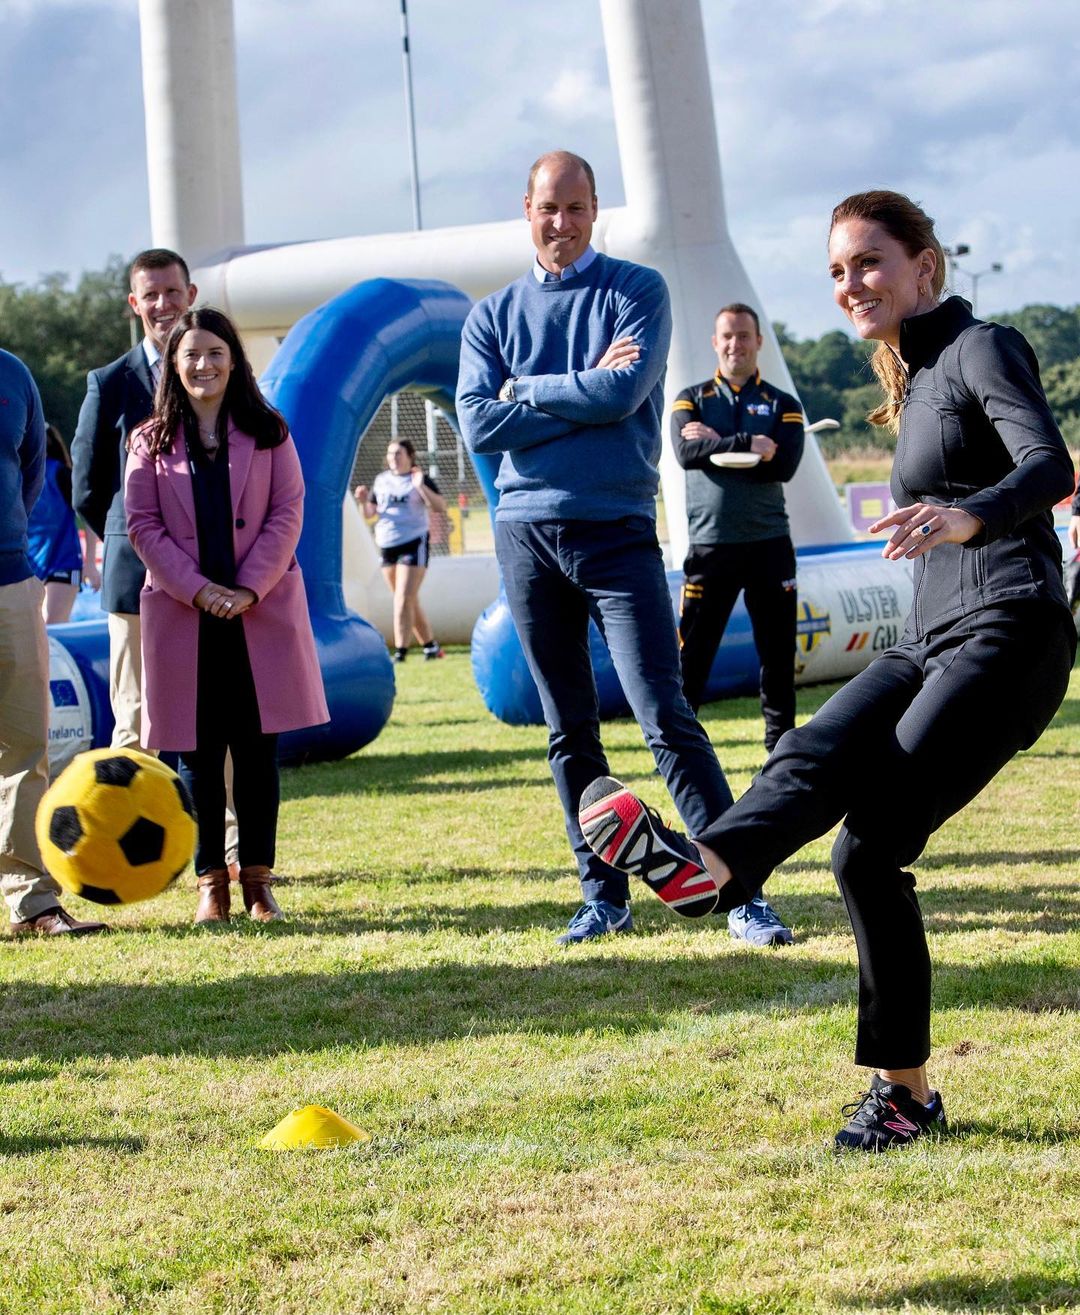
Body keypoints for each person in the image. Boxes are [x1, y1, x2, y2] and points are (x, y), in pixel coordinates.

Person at [579, 189, 1076, 1149]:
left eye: (869, 262)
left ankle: (906, 1097)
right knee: (813, 745)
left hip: (1011, 629)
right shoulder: (918, 372)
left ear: (926, 265)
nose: (851, 283)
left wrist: (971, 513)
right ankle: (709, 866)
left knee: (869, 843)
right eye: (839, 270)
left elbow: (1050, 466)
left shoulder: (982, 347)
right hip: (932, 634)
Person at [457, 149, 790, 949]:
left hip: (616, 533)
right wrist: (573, 392)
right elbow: (476, 422)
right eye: (548, 208)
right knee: (568, 728)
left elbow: (624, 391)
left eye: (576, 208)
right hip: (525, 535)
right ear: (526, 209)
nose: (562, 223)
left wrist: (525, 391)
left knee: (665, 715)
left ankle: (737, 889)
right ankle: (603, 898)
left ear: (595, 209)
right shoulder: (490, 316)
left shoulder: (637, 289)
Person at [125, 307, 329, 926]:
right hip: (185, 620)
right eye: (191, 355)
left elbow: (288, 511)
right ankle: (211, 881)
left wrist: (245, 588)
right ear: (174, 364)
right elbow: (143, 525)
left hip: (257, 614)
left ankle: (259, 880)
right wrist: (199, 591)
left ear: (234, 360)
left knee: (257, 751)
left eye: (215, 353)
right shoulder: (148, 439)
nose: (203, 365)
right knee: (197, 756)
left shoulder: (269, 430)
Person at [72, 248, 197, 747]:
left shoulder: (218, 371)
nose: (163, 304)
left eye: (172, 292)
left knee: (215, 715)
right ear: (134, 303)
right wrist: (131, 538)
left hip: (210, 574)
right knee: (135, 718)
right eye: (151, 295)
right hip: (133, 579)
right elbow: (87, 486)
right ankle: (130, 825)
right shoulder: (107, 384)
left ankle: (227, 829)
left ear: (191, 295)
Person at [1, 348, 106, 936]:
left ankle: (31, 905)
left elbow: (33, 472)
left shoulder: (14, 373)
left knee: (23, 747)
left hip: (12, 582)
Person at [672, 304, 804, 750]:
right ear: (715, 342)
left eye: (744, 336)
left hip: (769, 546)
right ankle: (680, 747)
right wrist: (749, 443)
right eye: (727, 336)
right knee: (693, 654)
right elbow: (684, 454)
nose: (735, 345)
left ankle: (780, 750)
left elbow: (784, 465)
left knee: (778, 654)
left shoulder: (784, 405)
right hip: (711, 548)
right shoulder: (691, 398)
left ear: (759, 342)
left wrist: (715, 444)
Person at [354, 437, 446, 662]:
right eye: (390, 453)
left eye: (398, 453)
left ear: (409, 456)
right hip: (387, 545)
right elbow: (370, 513)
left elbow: (439, 506)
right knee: (406, 599)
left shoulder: (418, 478)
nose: (393, 458)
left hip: (413, 542)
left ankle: (401, 652)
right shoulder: (382, 480)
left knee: (403, 598)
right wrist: (363, 501)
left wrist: (420, 486)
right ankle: (431, 647)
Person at [27, 424, 100, 623]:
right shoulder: (14, 477)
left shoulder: (60, 474)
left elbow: (88, 515)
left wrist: (90, 564)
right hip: (26, 566)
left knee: (50, 624)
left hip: (62, 562)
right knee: (30, 630)